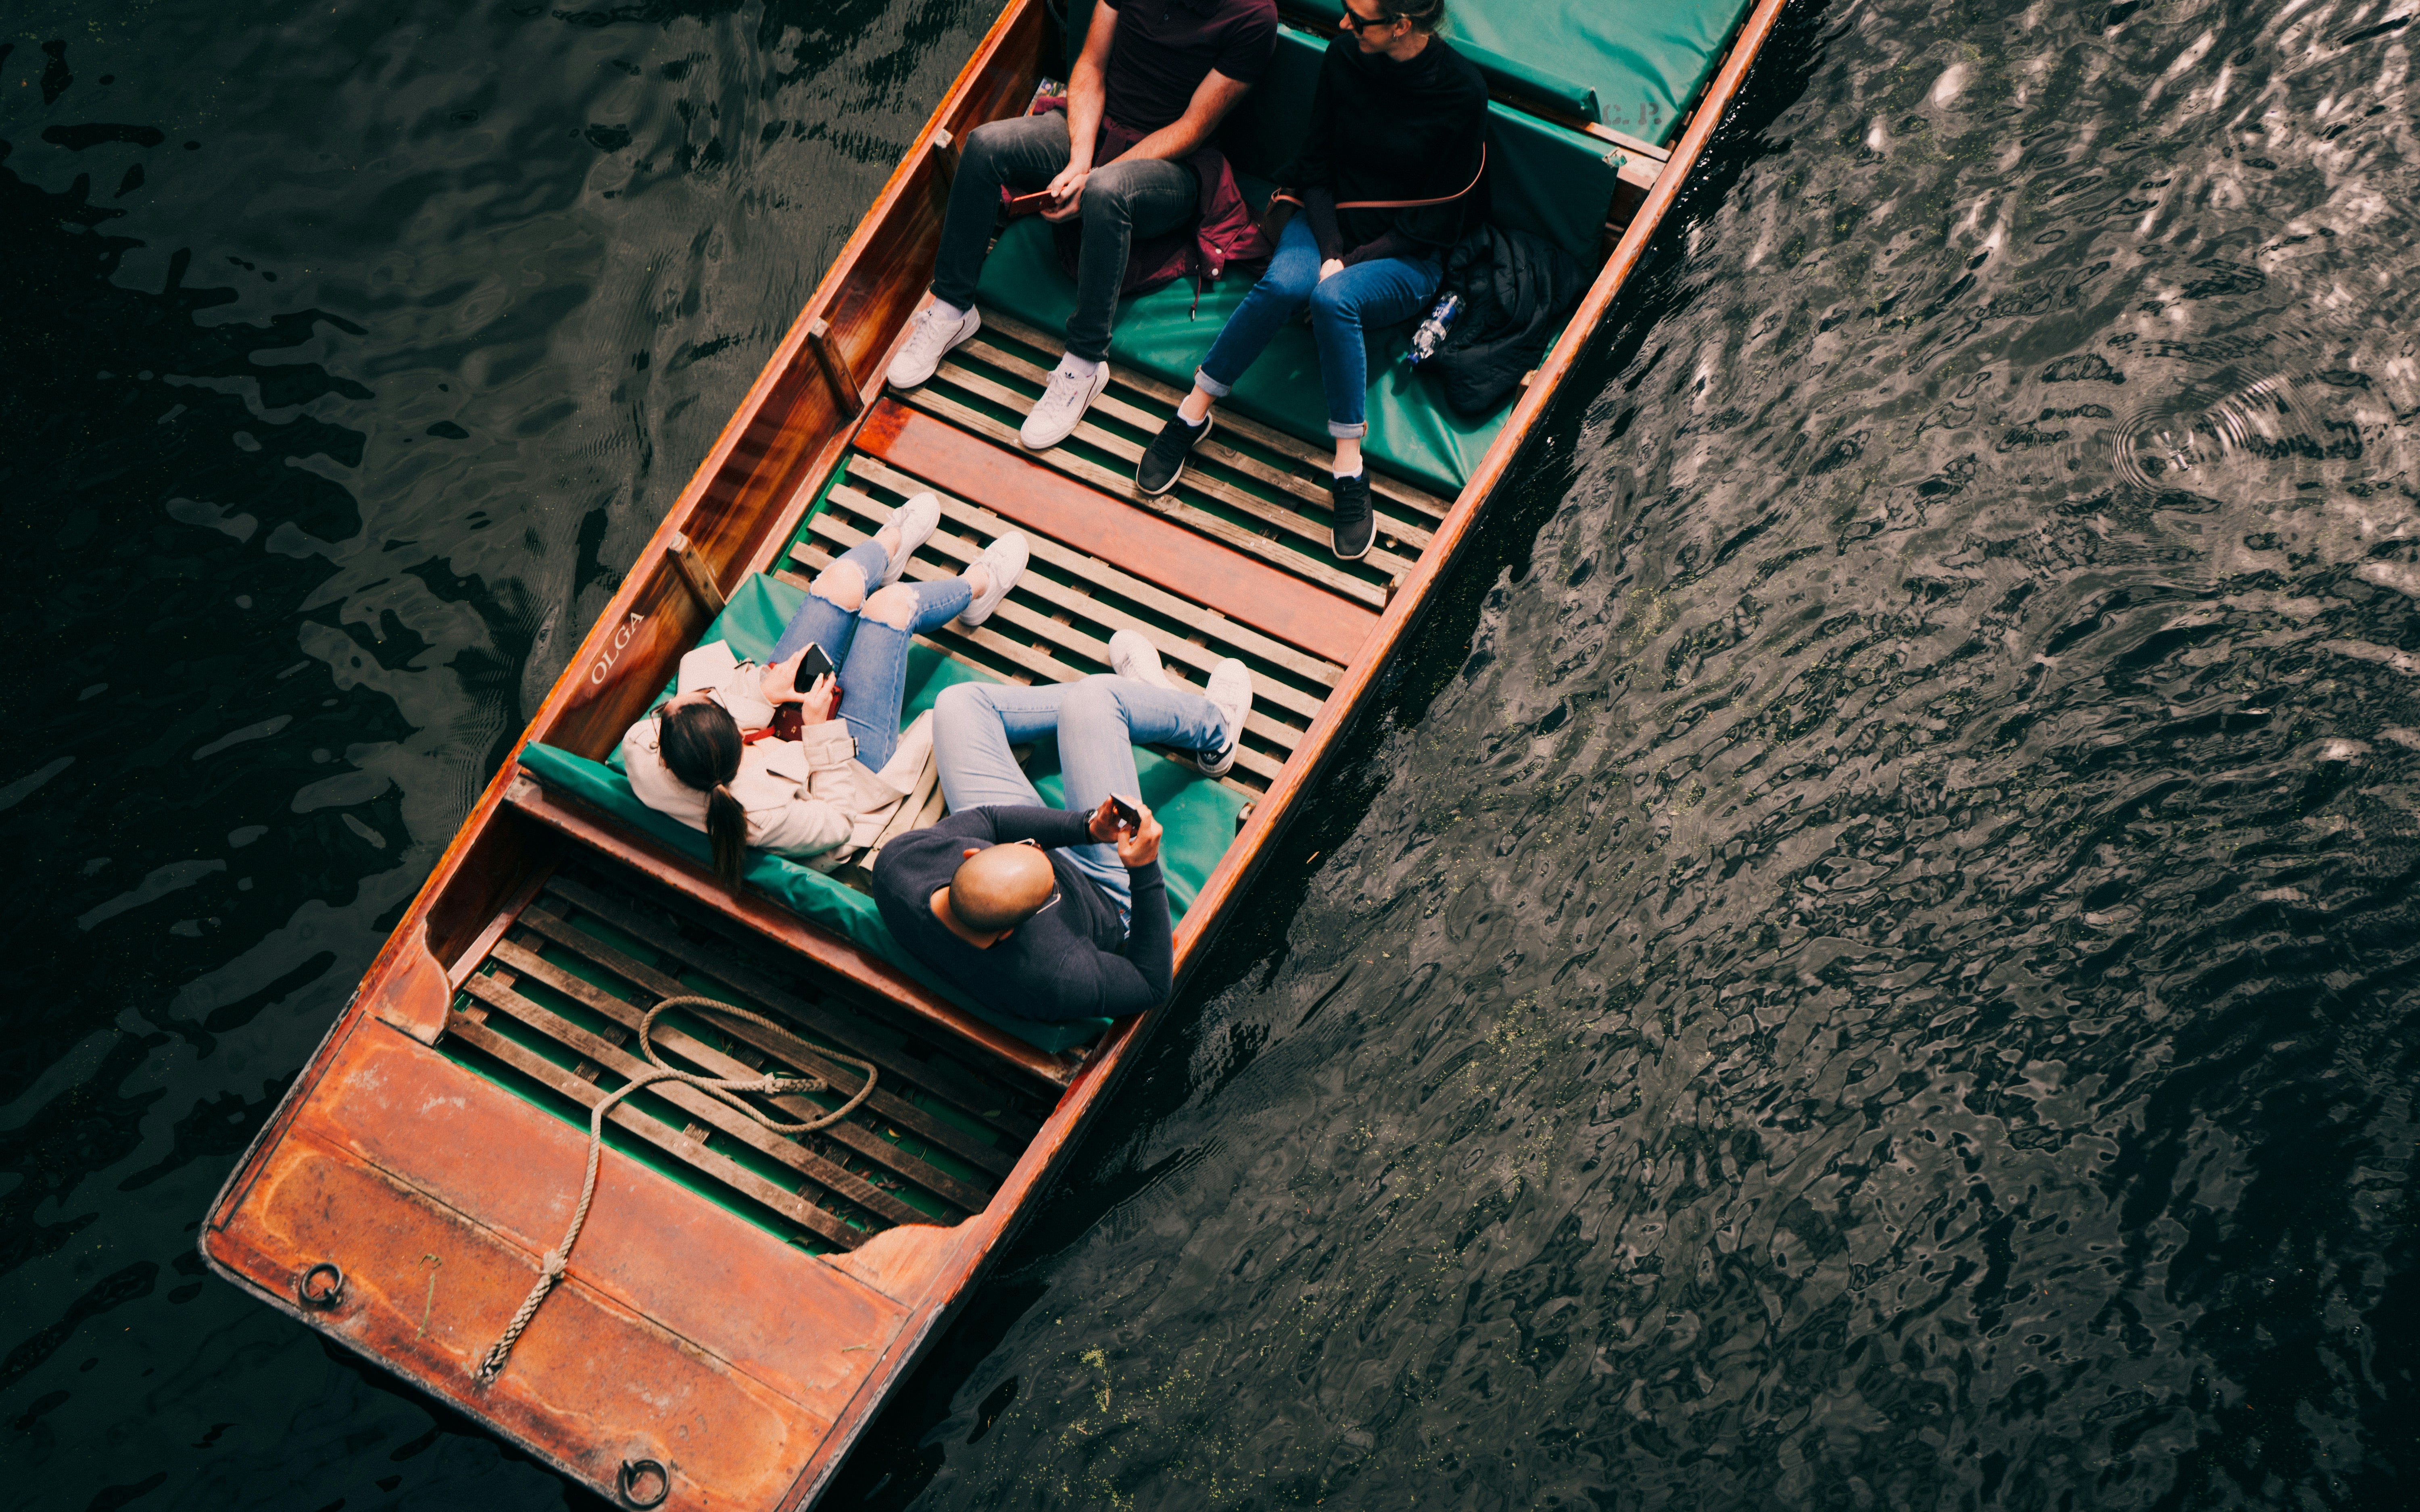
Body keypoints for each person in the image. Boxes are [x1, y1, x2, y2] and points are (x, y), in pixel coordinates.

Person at [1133, 0, 1486, 560]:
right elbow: (1315, 166)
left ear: (1402, 26)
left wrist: (1348, 263)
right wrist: (1330, 250)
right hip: (1326, 226)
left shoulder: (1461, 93)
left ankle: (1349, 467)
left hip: (1407, 255)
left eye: (1358, 16)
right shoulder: (1346, 56)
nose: (1344, 23)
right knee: (1283, 286)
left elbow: (1435, 222)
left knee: (1333, 299)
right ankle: (1191, 412)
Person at [885, 0, 1279, 450]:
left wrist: (1091, 180)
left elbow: (1192, 127)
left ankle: (1085, 365)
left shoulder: (1253, 17)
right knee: (985, 146)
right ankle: (953, 308)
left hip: (1172, 167)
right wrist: (1080, 159)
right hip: (1099, 128)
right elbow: (1091, 65)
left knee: (1106, 193)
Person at [621, 492, 1030, 887]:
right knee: (891, 608)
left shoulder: (645, 756)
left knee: (840, 583)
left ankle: (891, 542)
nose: (665, 709)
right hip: (846, 768)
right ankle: (978, 587)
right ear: (733, 736)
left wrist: (765, 694)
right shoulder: (766, 816)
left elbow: (648, 734)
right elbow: (839, 823)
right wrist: (820, 732)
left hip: (775, 726)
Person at [870, 631, 1252, 1021]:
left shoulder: (899, 866)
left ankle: (1140, 703)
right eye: (1048, 880)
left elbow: (990, 819)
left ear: (971, 854)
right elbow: (1151, 984)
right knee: (1094, 699)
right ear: (1010, 933)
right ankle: (1215, 730)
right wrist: (1144, 867)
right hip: (1108, 893)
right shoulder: (1054, 976)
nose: (1042, 848)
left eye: (1026, 849)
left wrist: (1086, 827)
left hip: (1063, 845)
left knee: (958, 703)